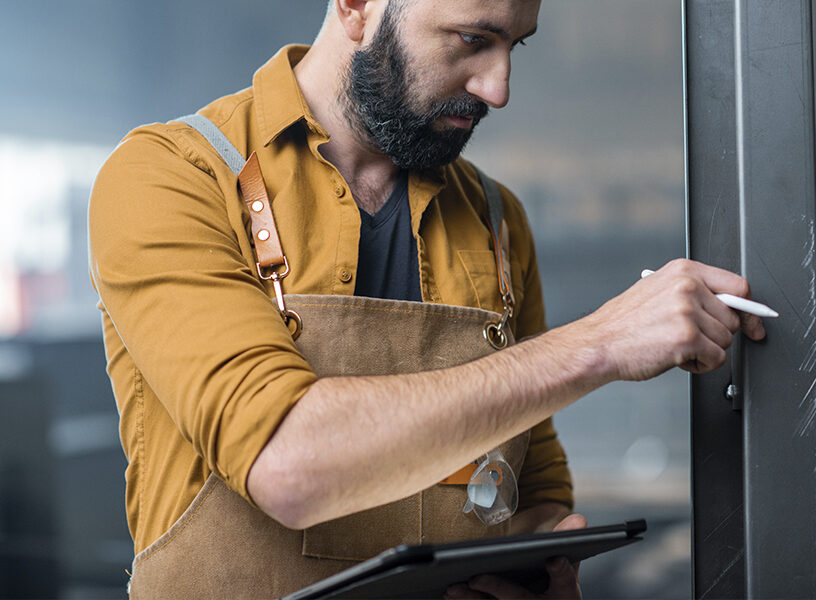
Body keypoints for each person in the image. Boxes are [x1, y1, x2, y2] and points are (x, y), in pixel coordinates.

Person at [88, 1, 765, 598]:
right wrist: (603, 340)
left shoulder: (497, 219)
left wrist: (541, 560)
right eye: (473, 40)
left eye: (514, 46)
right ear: (356, 6)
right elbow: (290, 465)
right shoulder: (171, 178)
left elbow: (532, 477)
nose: (498, 89)